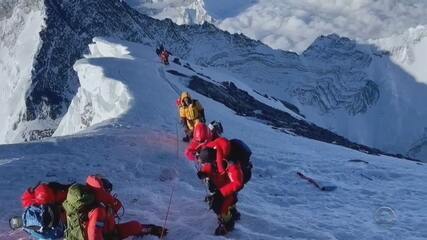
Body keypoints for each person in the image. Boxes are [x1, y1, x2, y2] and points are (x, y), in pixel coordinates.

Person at [84, 175, 168, 239]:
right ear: (103, 192)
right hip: (106, 236)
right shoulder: (98, 211)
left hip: (110, 233)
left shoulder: (103, 205)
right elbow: (93, 235)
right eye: (108, 191)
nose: (110, 194)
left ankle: (152, 229)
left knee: (135, 226)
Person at [197, 148, 244, 235]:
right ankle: (232, 212)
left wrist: (221, 193)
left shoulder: (231, 164)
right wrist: (203, 173)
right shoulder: (213, 162)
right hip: (222, 186)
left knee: (221, 206)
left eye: (205, 162)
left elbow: (237, 183)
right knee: (218, 203)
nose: (204, 165)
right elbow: (208, 168)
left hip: (230, 188)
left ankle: (228, 224)